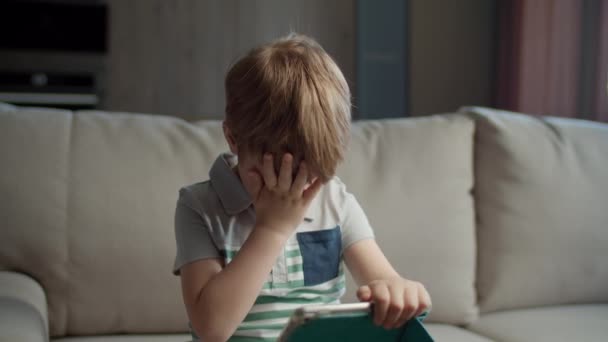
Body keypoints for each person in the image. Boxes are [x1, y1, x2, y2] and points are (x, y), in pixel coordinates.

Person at [172, 33, 431, 342]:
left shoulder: (334, 200)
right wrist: (272, 229)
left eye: (308, 172)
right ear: (234, 139)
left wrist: (399, 291)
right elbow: (211, 328)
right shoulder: (198, 206)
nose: (291, 188)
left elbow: (385, 280)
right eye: (275, 169)